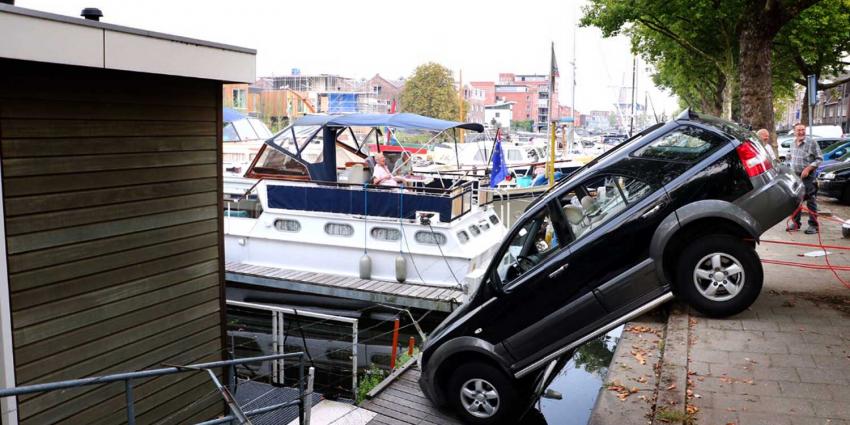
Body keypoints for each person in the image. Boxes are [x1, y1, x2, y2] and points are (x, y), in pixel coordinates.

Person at [789, 122, 823, 234]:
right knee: (796, 200)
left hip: (809, 176)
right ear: (794, 132)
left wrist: (808, 168)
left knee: (811, 200)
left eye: (803, 129)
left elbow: (819, 159)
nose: (801, 132)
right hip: (796, 176)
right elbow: (791, 158)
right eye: (798, 130)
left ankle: (813, 226)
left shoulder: (811, 142)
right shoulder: (793, 143)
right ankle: (796, 223)